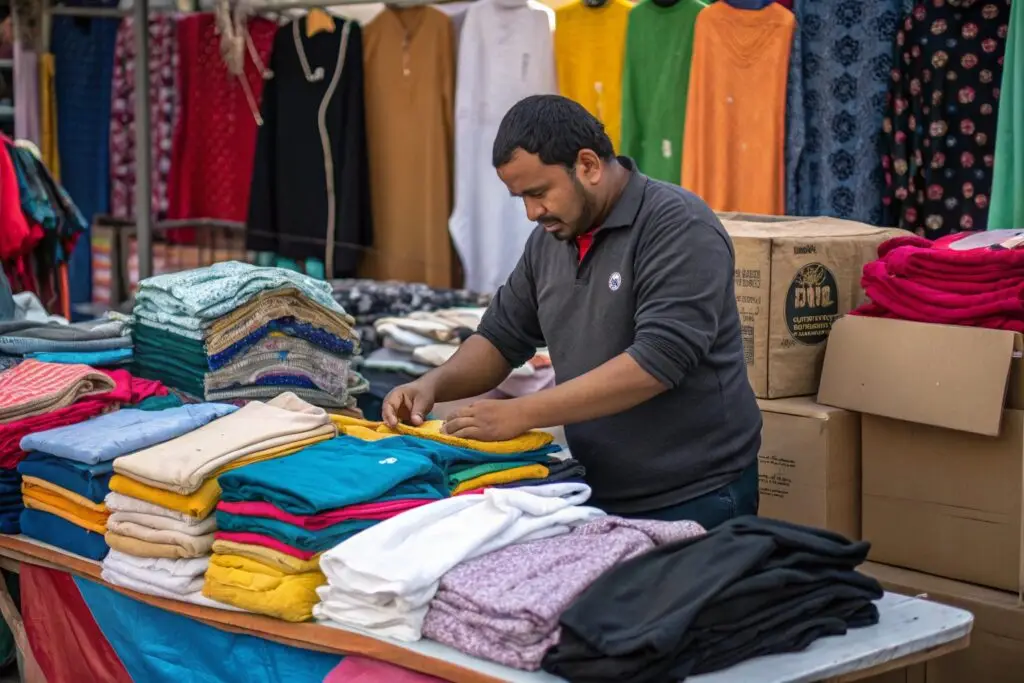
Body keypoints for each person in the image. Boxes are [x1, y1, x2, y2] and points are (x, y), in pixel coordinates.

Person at [382, 94, 761, 530]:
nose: (530, 212)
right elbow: (501, 338)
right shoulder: (550, 241)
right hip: (597, 489)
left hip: (696, 495)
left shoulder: (678, 226)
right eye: (519, 198)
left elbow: (657, 362)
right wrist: (432, 384)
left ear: (588, 165)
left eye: (538, 193)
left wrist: (522, 412)